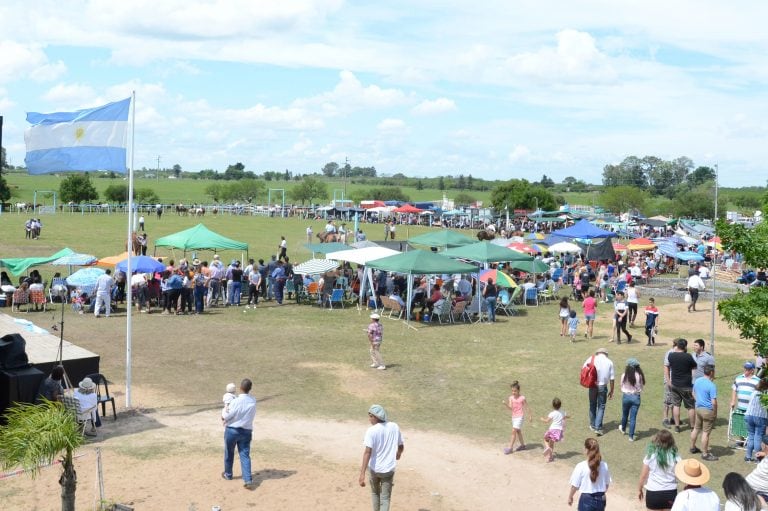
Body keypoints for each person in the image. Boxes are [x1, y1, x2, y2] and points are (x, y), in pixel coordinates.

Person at [359, 404, 404, 511]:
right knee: (385, 499)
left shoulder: (371, 431)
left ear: (375, 417)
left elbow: (367, 453)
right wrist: (399, 454)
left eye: (370, 416)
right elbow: (401, 445)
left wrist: (362, 473)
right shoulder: (394, 426)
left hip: (374, 469)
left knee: (375, 493)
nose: (369, 419)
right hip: (388, 470)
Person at [221, 378, 257, 488]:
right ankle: (247, 479)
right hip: (246, 432)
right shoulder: (253, 401)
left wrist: (224, 409)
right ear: (249, 389)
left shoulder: (235, 401)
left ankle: (228, 474)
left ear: (240, 388)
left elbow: (226, 416)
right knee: (245, 455)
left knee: (229, 452)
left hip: (232, 431)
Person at [637, 430, 681, 511]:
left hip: (653, 493)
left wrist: (640, 489)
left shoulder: (650, 456)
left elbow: (643, 476)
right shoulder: (676, 456)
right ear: (671, 441)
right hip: (670, 493)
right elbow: (681, 475)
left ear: (657, 440)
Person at [568, 438, 612, 510]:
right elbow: (606, 485)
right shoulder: (604, 465)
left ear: (586, 449)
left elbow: (574, 486)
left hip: (586, 501)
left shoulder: (581, 466)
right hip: (601, 500)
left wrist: (570, 497)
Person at [665, 338, 697, 433]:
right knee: (691, 407)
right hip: (687, 385)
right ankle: (692, 427)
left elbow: (668, 366)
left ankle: (677, 426)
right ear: (685, 347)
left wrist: (668, 380)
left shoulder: (671, 356)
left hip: (674, 384)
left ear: (677, 346)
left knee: (676, 405)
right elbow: (694, 367)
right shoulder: (688, 356)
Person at [583, 347, 614, 436]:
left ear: (598, 353)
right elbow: (612, 379)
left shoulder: (592, 358)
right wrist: (612, 390)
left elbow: (584, 368)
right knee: (601, 406)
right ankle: (598, 427)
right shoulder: (609, 362)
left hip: (592, 385)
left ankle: (593, 425)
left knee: (592, 404)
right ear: (605, 354)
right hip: (602, 386)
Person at [690, 364, 718, 461]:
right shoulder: (712, 385)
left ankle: (693, 447)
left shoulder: (698, 381)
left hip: (698, 408)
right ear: (711, 373)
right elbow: (714, 402)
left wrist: (698, 401)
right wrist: (715, 413)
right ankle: (705, 454)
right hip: (707, 411)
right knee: (705, 433)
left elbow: (693, 392)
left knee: (696, 428)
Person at [620, 358, 645, 442]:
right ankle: (631, 437)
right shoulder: (639, 376)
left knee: (624, 414)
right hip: (636, 397)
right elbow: (641, 387)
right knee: (633, 418)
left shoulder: (624, 375)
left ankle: (623, 429)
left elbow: (621, 385)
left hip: (626, 396)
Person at [503, 380, 532, 454]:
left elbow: (527, 407)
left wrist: (530, 416)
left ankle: (510, 448)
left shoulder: (522, 398)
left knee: (513, 431)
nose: (513, 392)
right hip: (514, 417)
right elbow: (510, 408)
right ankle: (523, 446)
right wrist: (506, 404)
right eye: (512, 391)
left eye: (515, 391)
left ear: (518, 390)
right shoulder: (511, 398)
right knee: (518, 431)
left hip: (520, 417)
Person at [744, 379, 768, 462]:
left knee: (751, 436)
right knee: (758, 438)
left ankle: (748, 457)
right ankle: (758, 458)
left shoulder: (754, 392)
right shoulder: (766, 394)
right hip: (760, 417)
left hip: (749, 415)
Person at [541, 397, 568, 462]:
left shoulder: (552, 413)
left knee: (545, 439)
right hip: (559, 431)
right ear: (560, 405)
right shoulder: (563, 412)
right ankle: (549, 457)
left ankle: (547, 447)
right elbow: (564, 418)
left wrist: (542, 419)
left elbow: (547, 421)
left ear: (553, 406)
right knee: (552, 443)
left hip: (552, 429)